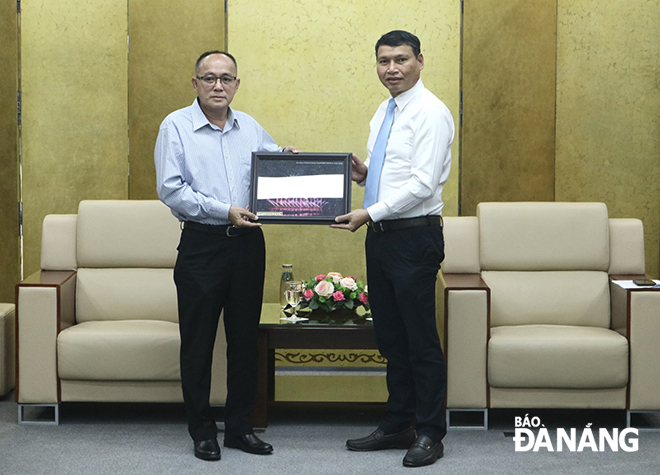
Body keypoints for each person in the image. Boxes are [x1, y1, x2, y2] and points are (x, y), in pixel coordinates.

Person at [154, 50, 299, 461]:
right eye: (209, 78)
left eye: (226, 78)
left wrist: (289, 162)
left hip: (249, 245)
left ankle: (239, 428)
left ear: (236, 84)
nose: (218, 85)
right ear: (195, 84)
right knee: (198, 343)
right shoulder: (176, 126)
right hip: (203, 244)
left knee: (243, 341)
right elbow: (172, 190)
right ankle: (202, 430)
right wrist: (224, 211)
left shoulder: (249, 126)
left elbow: (269, 169)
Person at [331, 30, 454, 468]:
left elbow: (423, 184)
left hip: (414, 237)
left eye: (401, 59)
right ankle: (398, 422)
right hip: (382, 236)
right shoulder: (385, 110)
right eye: (384, 61)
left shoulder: (431, 112)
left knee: (420, 340)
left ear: (421, 60)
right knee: (391, 337)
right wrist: (365, 175)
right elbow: (396, 174)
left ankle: (430, 433)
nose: (392, 69)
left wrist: (368, 212)